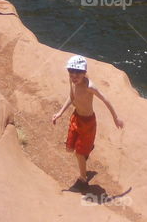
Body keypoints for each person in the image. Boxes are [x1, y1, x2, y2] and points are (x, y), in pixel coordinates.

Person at [51, 55, 124, 191]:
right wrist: (60, 113)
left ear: (84, 73)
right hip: (76, 118)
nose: (74, 75)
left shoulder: (90, 86)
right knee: (69, 148)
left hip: (88, 123)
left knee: (79, 154)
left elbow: (105, 99)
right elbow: (72, 96)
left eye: (78, 72)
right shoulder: (72, 81)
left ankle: (83, 180)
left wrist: (116, 118)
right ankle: (88, 148)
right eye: (71, 72)